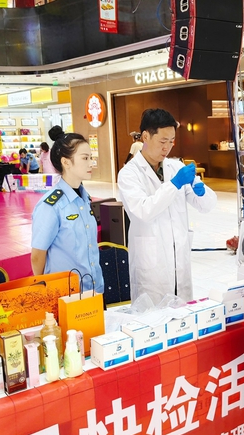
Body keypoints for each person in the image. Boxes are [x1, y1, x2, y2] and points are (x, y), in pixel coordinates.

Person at [118, 108, 217, 304]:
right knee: (152, 314)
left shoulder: (175, 167)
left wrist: (202, 192)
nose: (167, 147)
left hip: (179, 259)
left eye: (171, 141)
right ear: (145, 136)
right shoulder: (129, 174)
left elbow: (207, 206)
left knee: (183, 313)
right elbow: (144, 211)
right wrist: (174, 184)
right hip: (151, 264)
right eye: (163, 141)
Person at [30, 125, 104, 293]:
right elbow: (37, 256)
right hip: (66, 295)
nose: (91, 163)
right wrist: (46, 290)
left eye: (91, 157)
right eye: (85, 158)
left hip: (94, 290)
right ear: (66, 162)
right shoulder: (51, 206)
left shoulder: (84, 198)